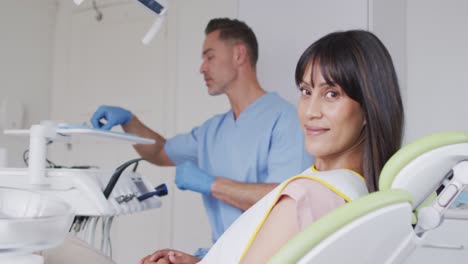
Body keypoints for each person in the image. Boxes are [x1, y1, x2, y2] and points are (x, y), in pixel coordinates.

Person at [140, 29, 404, 264]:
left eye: (331, 94)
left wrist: (211, 184)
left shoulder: (305, 196)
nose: (310, 111)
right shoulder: (357, 190)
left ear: (368, 108)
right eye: (305, 91)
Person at [90, 18, 312, 259]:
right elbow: (159, 152)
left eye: (210, 56)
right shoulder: (211, 131)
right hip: (223, 255)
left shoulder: (286, 120)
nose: (202, 68)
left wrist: (211, 184)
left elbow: (285, 205)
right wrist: (128, 120)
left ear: (239, 55)